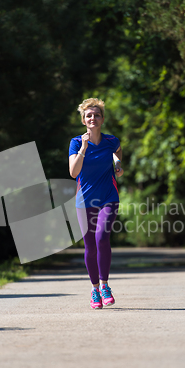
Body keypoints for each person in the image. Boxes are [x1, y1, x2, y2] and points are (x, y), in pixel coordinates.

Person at [69, 98, 123, 309]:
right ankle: (94, 290)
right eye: (89, 115)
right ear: (84, 120)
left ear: (102, 119)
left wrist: (118, 165)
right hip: (85, 201)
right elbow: (73, 172)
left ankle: (105, 285)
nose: (93, 118)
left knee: (102, 238)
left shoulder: (111, 141)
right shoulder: (75, 142)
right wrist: (83, 148)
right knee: (90, 246)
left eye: (97, 115)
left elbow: (117, 153)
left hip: (109, 196)